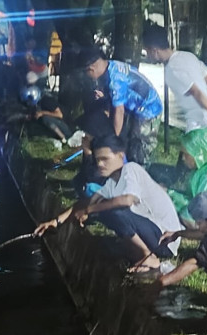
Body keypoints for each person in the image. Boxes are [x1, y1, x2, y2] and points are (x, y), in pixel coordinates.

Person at [34, 135, 182, 272]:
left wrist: (90, 210)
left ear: (120, 156)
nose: (100, 164)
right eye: (97, 160)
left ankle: (148, 257)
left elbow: (126, 200)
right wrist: (56, 221)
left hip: (165, 240)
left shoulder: (131, 169)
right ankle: (138, 251)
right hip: (151, 233)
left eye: (105, 159)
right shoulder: (112, 182)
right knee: (105, 208)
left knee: (113, 210)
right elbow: (85, 203)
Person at [142, 25, 207, 145]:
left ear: (154, 50)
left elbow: (197, 93)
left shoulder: (172, 69)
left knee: (189, 162)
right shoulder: (187, 56)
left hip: (199, 131)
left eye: (147, 51)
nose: (148, 55)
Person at [81, 49, 163, 166]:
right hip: (133, 107)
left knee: (140, 146)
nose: (88, 77)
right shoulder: (110, 67)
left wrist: (114, 140)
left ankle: (141, 172)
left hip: (148, 109)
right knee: (130, 141)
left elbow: (119, 110)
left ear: (91, 69)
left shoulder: (115, 80)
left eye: (86, 73)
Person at [71, 110, 115, 198]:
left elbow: (94, 176)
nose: (84, 134)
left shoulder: (106, 148)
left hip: (105, 187)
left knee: (89, 187)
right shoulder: (94, 142)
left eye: (87, 132)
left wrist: (88, 153)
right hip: (93, 180)